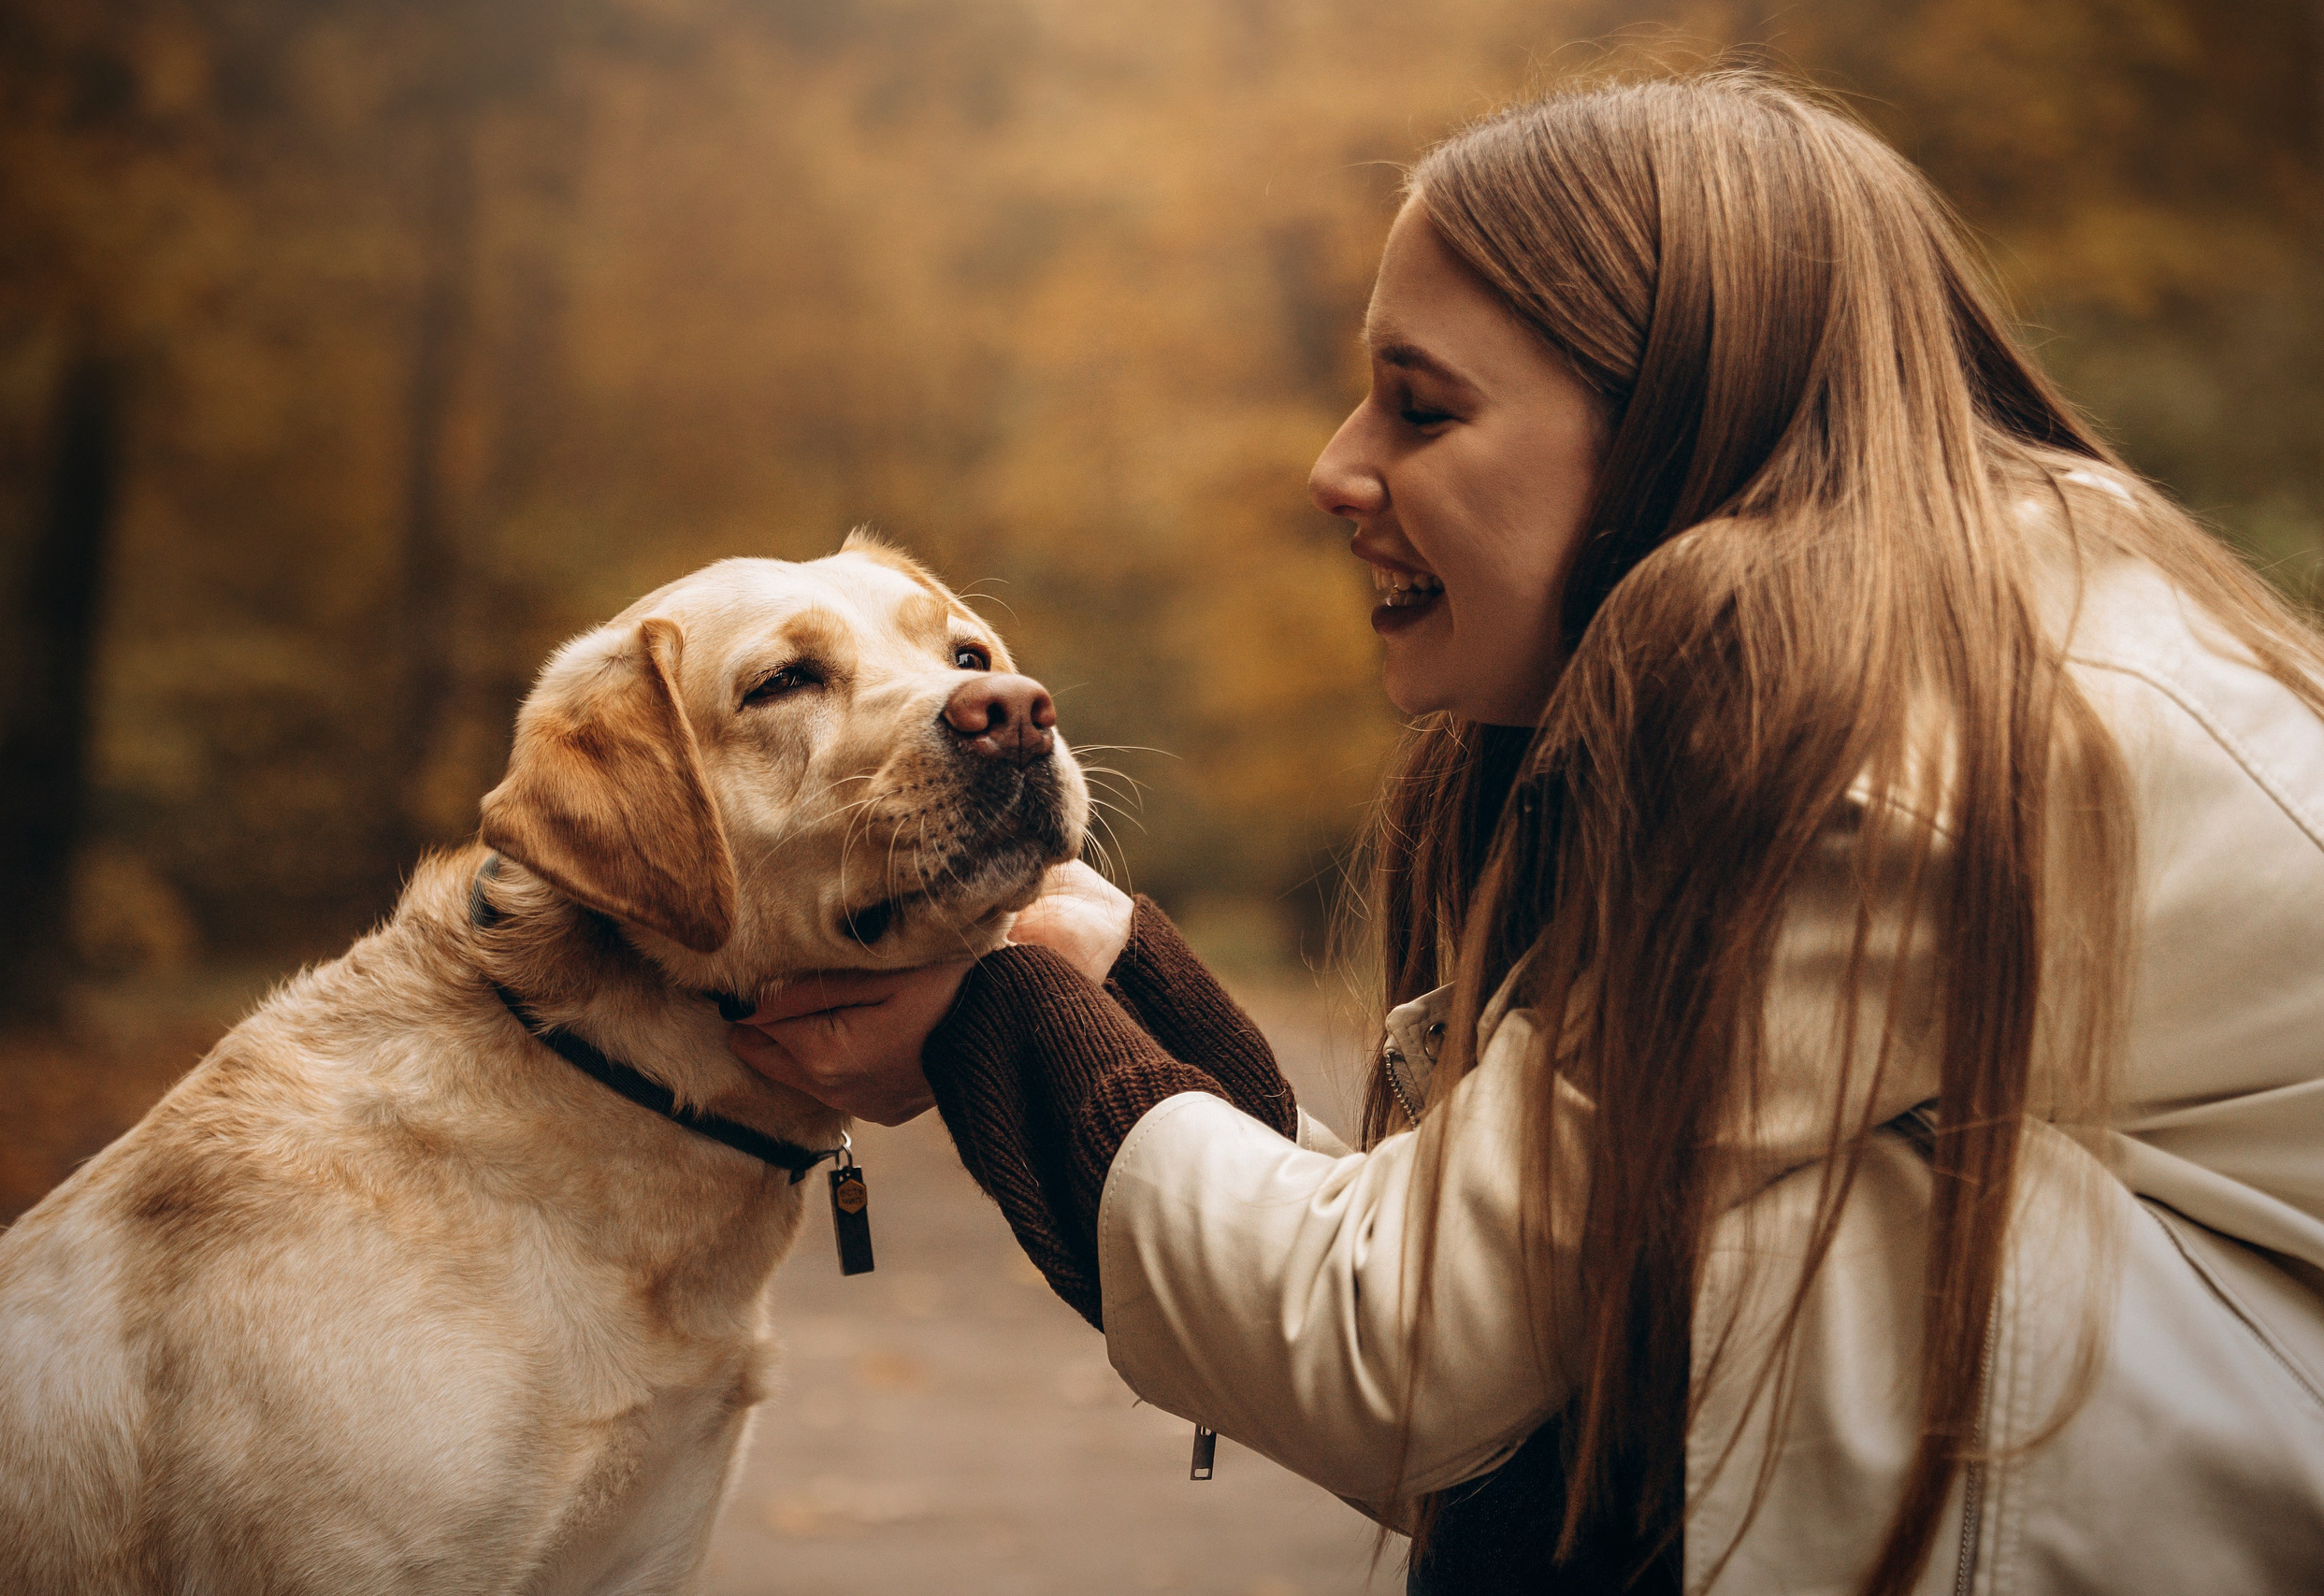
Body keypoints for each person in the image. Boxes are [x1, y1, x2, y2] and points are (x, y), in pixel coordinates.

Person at [726, 73, 2324, 1593]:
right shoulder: (1963, 611)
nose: (1335, 467)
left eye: (1422, 410)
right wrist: (1116, 975)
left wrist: (1002, 1017)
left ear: (1667, 426)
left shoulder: (1863, 711)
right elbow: (1487, 1291)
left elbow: (1410, 1363)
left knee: (1756, 1248)